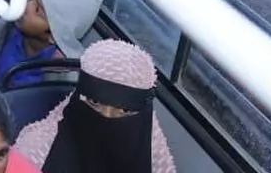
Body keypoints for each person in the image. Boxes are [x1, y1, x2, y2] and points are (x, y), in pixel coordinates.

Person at [13, 39, 178, 172]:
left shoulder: (155, 158)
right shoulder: (35, 152)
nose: (106, 118)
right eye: (94, 103)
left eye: (124, 110)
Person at [0, 0, 103, 86]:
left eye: (38, 10)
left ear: (53, 36)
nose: (26, 6)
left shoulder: (64, 71)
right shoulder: (3, 29)